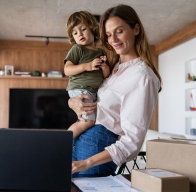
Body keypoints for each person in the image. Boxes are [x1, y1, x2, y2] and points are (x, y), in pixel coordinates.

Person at [68, 4, 162, 177]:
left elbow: (132, 142)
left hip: (95, 152)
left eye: (119, 31)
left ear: (136, 29)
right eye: (109, 35)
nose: (113, 40)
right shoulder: (114, 68)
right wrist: (72, 102)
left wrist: (87, 163)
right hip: (80, 144)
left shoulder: (143, 77)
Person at [64, 11, 110, 139]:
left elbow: (106, 75)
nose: (80, 34)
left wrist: (105, 67)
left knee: (90, 120)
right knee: (88, 121)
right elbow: (67, 70)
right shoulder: (78, 49)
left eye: (83, 29)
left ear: (93, 29)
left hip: (92, 91)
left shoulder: (101, 52)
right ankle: (63, 141)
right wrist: (87, 66)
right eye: (75, 32)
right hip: (80, 89)